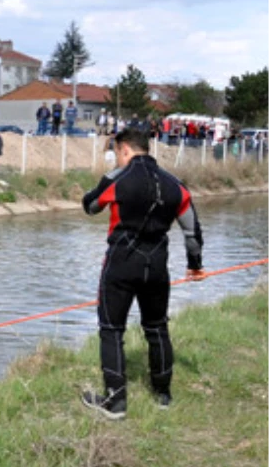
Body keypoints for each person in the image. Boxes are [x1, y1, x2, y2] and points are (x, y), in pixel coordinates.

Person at [80, 129, 204, 419]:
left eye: (117, 153)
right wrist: (195, 264)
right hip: (157, 267)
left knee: (111, 330)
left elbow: (90, 205)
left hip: (121, 265)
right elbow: (192, 231)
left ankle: (116, 401)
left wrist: (107, 178)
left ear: (124, 150)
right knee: (157, 327)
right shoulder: (176, 185)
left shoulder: (118, 178)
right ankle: (163, 394)